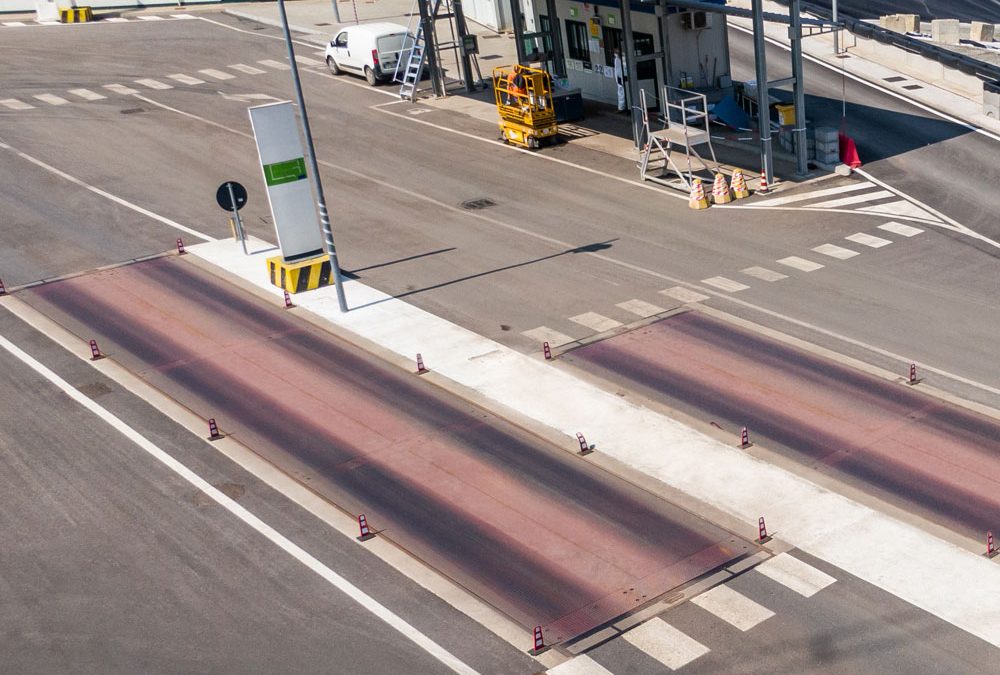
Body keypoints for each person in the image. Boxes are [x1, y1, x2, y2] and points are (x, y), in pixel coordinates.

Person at [613, 49, 626, 113]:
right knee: (621, 92)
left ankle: (622, 107)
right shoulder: (617, 59)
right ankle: (622, 107)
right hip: (620, 77)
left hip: (622, 76)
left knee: (621, 92)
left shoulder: (620, 59)